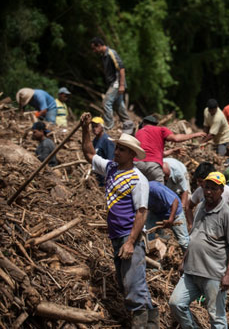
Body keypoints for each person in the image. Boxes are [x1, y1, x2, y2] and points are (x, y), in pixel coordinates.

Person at [80, 112, 158, 328]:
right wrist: (84, 129)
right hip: (116, 235)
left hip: (127, 236)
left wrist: (131, 242)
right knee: (130, 284)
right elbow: (88, 153)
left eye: (121, 149)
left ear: (132, 154)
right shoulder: (112, 169)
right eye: (117, 147)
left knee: (133, 285)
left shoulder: (138, 180)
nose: (116, 151)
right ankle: (152, 323)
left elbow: (142, 213)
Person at [169, 172, 229, 329]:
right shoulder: (201, 206)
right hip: (191, 271)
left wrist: (228, 275)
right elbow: (194, 236)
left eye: (213, 188)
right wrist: (184, 260)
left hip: (213, 274)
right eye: (206, 187)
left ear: (221, 190)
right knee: (176, 303)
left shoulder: (228, 215)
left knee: (217, 317)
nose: (208, 191)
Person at [135, 115, 205, 184]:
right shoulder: (161, 129)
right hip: (153, 166)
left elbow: (149, 154)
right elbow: (176, 138)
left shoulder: (138, 133)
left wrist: (172, 151)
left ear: (143, 123)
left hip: (137, 164)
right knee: (158, 191)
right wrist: (193, 135)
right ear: (156, 124)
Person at [186, 162, 229, 229]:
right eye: (198, 181)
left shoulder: (228, 191)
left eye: (201, 181)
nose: (199, 184)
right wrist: (191, 224)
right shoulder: (199, 191)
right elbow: (188, 206)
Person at [90, 37, 131, 130]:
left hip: (116, 83)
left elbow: (122, 68)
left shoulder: (111, 53)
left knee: (106, 102)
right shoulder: (104, 55)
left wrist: (121, 85)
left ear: (99, 45)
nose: (94, 51)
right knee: (119, 106)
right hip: (113, 83)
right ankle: (129, 126)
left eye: (94, 48)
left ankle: (109, 127)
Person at [147, 181, 190, 252]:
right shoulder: (136, 193)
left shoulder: (155, 188)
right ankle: (159, 256)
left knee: (184, 242)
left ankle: (190, 259)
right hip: (156, 212)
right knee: (149, 236)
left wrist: (170, 220)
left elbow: (175, 201)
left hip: (175, 212)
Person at [91, 116, 115, 186]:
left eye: (96, 126)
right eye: (93, 127)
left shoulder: (107, 140)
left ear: (102, 127)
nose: (94, 129)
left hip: (105, 176)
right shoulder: (95, 141)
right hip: (98, 176)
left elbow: (111, 159)